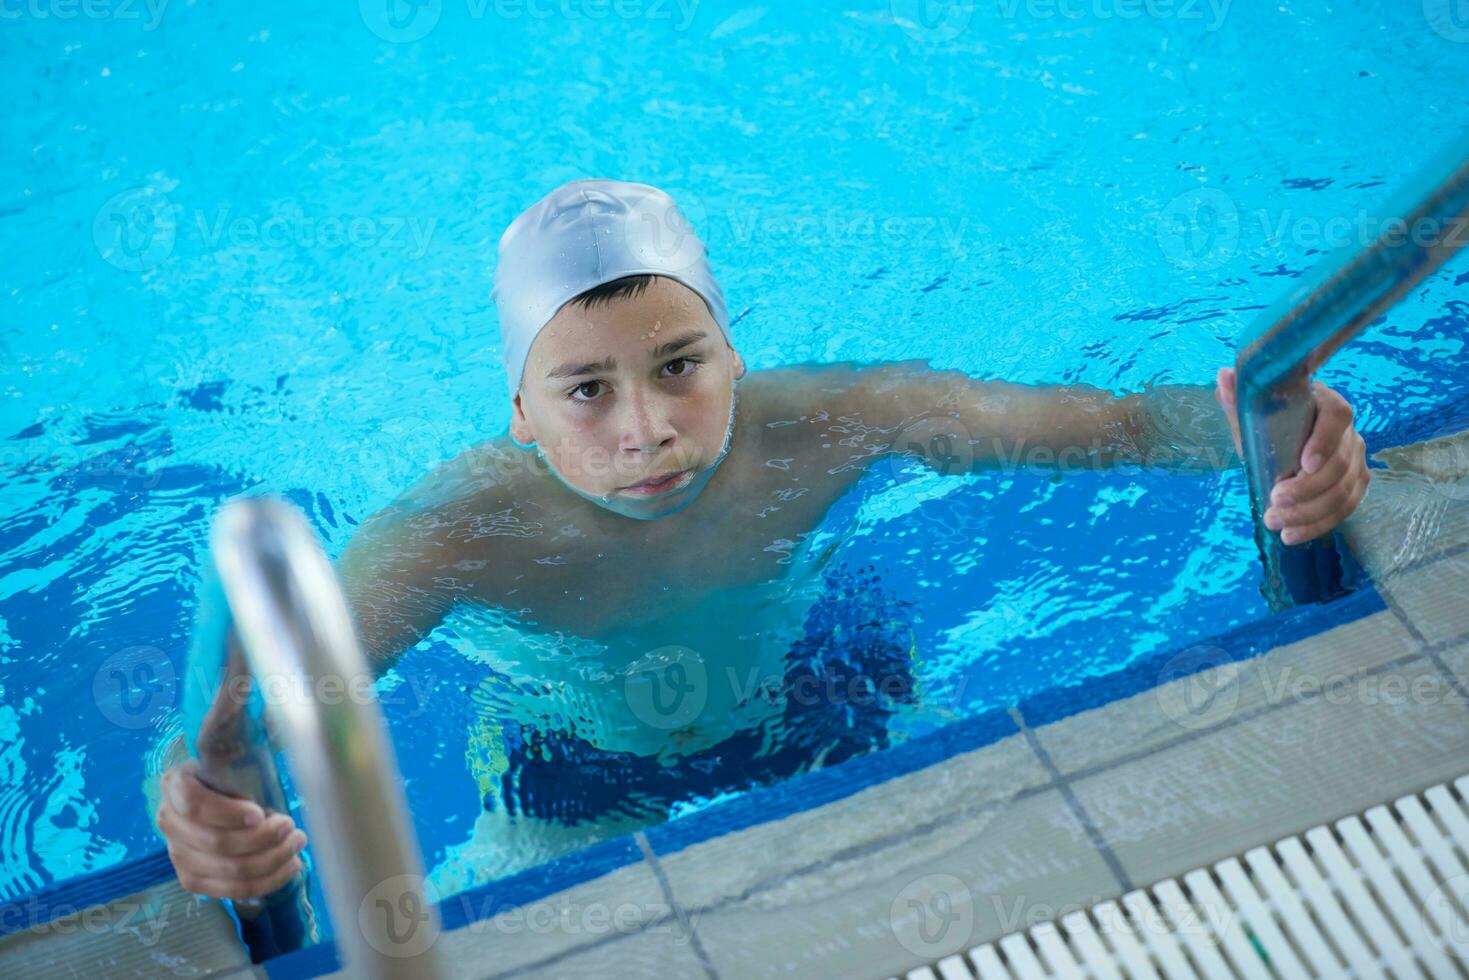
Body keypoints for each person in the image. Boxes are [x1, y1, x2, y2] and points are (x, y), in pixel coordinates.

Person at [154, 179, 1371, 901]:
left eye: (680, 366)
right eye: (584, 391)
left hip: (829, 690)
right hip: (573, 767)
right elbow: (274, 690)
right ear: (516, 414)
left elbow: (1109, 426)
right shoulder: (460, 529)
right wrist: (191, 790)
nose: (647, 431)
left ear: (731, 351)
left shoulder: (832, 422)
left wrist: (1279, 427)